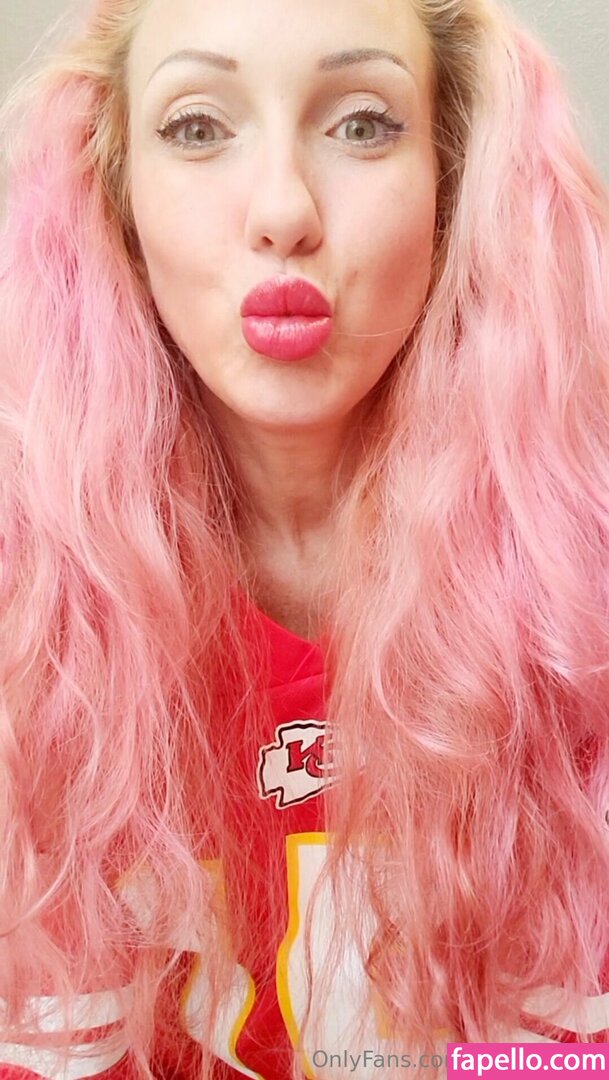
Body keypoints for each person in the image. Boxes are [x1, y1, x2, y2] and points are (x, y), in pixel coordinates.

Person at [1, 0, 609, 1076]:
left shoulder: (581, 616)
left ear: (452, 186)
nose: (283, 209)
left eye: (363, 122)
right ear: (116, 198)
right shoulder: (24, 619)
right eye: (197, 126)